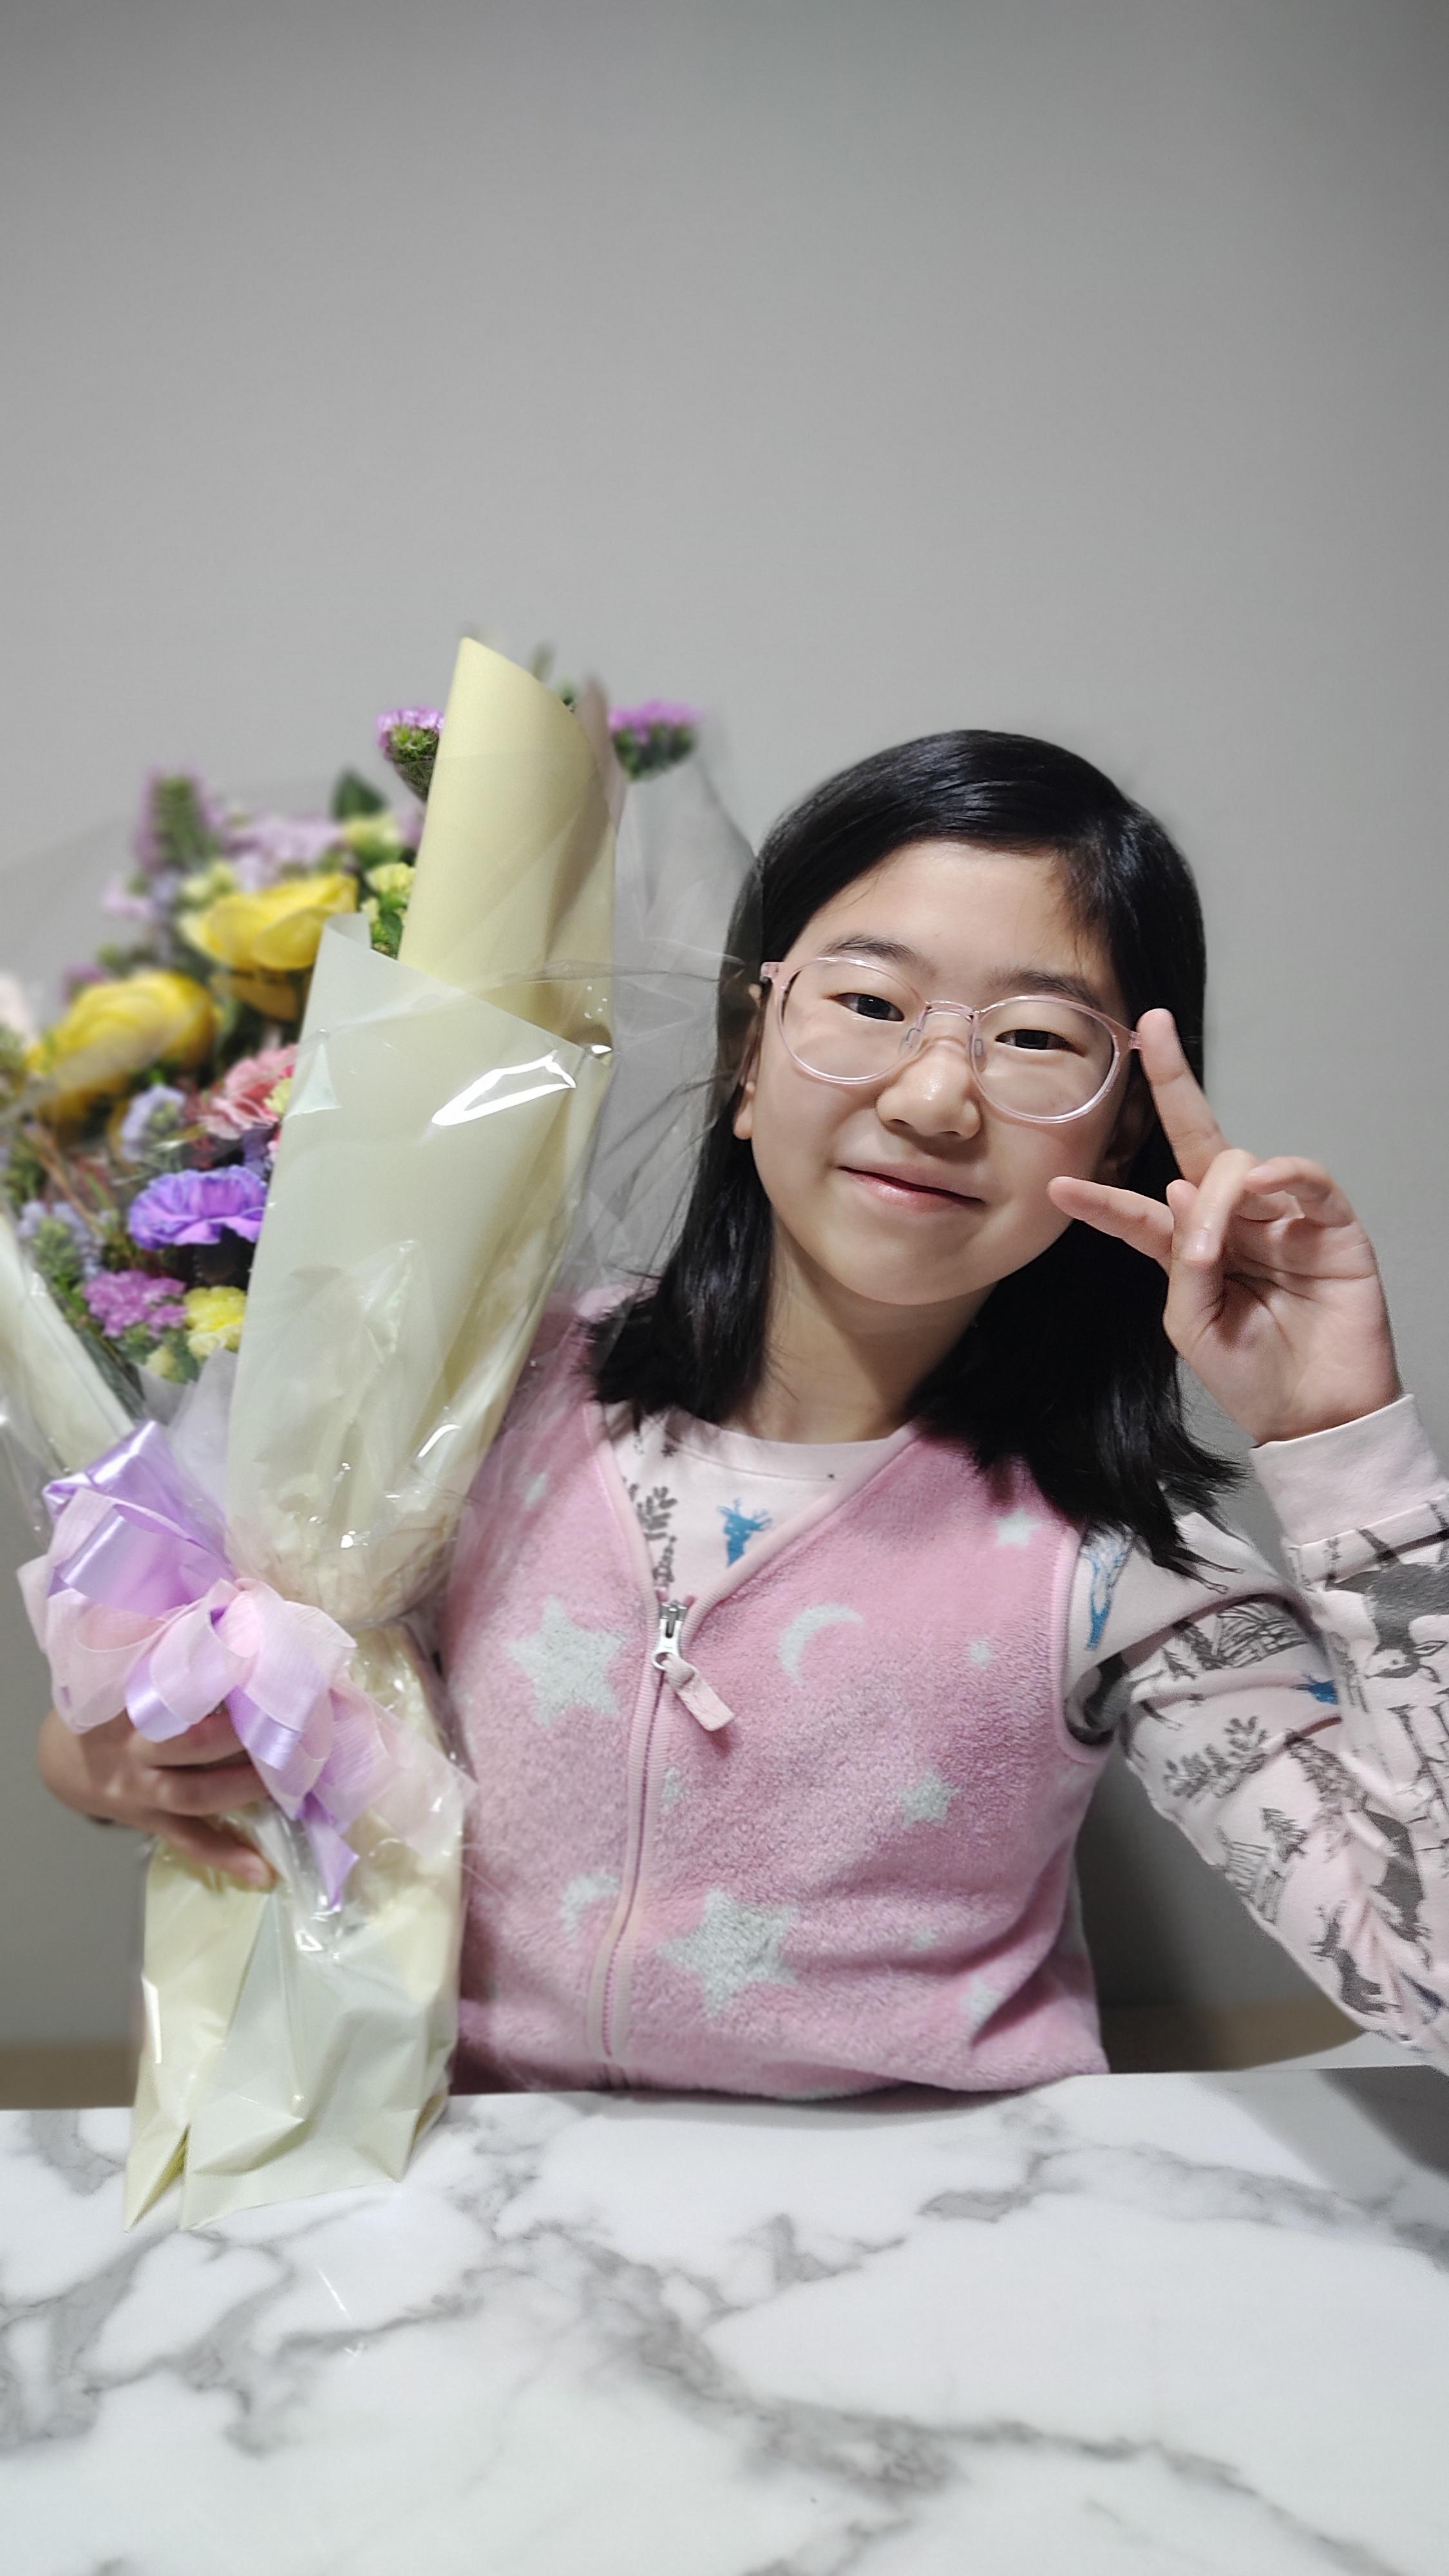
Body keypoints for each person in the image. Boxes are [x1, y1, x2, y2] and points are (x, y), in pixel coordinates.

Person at [39, 731, 1449, 2097]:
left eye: (1033, 1036)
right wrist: (117, 1748)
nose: (935, 1095)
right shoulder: (476, 1400)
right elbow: (238, 1693)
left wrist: (1346, 1443)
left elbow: (1427, 1981)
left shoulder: (1128, 1562)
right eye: (870, 1003)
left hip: (921, 2218)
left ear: (1121, 1128)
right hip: (484, 2192)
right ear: (746, 1054)